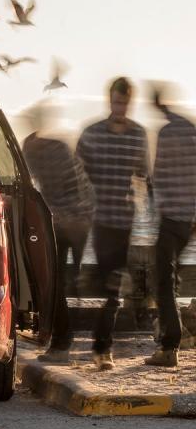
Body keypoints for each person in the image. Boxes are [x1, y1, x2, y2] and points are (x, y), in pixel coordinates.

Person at [76, 77, 150, 370]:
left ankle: (101, 347)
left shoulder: (138, 135)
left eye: (125, 103)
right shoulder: (92, 133)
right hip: (101, 220)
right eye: (117, 102)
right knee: (109, 282)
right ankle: (101, 345)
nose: (120, 108)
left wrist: (140, 197)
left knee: (114, 287)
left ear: (130, 102)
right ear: (110, 100)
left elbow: (144, 174)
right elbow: (77, 170)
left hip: (125, 221)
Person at [22, 103, 95, 364]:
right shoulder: (58, 146)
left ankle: (61, 343)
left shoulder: (31, 147)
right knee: (63, 281)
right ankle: (60, 340)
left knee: (55, 282)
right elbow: (79, 182)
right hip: (75, 220)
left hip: (59, 222)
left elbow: (28, 183)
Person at [145, 88, 196, 367]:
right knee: (170, 278)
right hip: (188, 220)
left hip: (172, 219)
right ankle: (174, 335)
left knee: (163, 280)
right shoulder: (189, 129)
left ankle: (169, 345)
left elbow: (158, 177)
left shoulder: (167, 135)